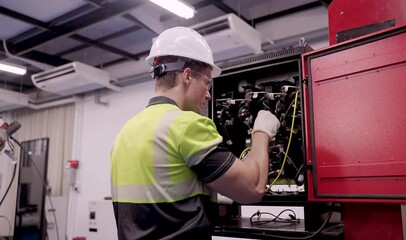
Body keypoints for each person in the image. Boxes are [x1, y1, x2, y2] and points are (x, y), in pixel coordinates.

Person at [110, 26, 280, 240]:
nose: (209, 95)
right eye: (207, 83)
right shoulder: (186, 125)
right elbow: (253, 188)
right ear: (188, 76)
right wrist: (261, 133)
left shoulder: (126, 132)